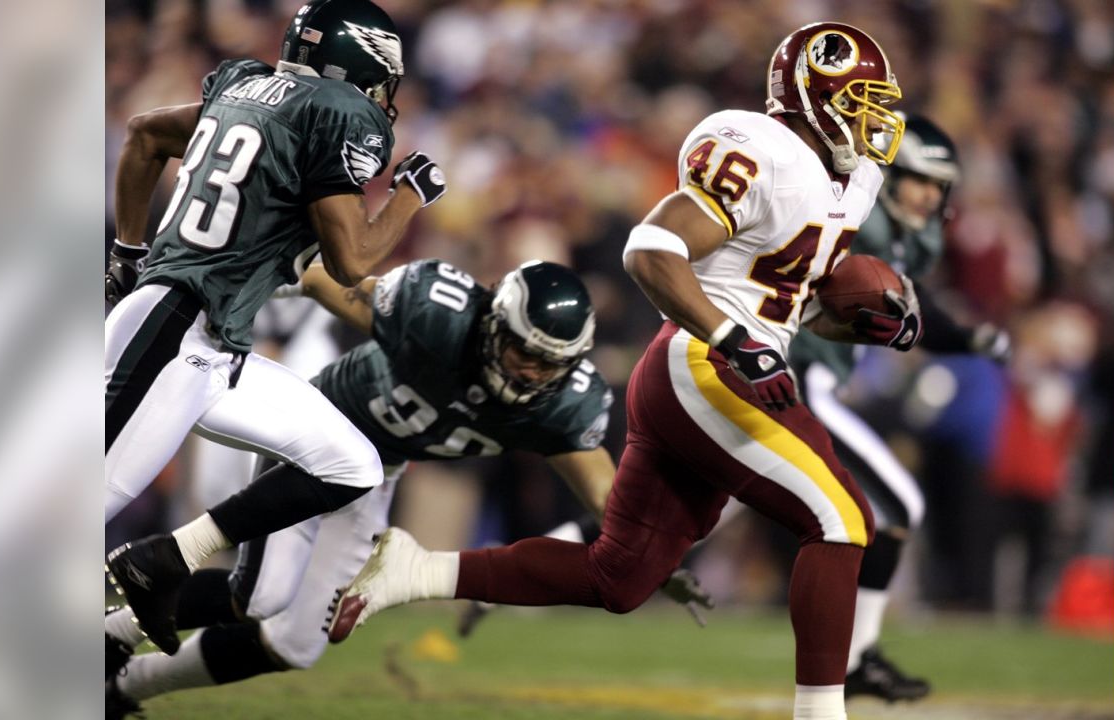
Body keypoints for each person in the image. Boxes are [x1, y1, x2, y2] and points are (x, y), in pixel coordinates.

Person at [326, 23, 924, 720]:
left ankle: (414, 570)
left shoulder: (854, 180)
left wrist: (848, 315)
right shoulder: (771, 156)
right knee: (843, 519)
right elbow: (652, 248)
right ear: (811, 97)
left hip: (713, 370)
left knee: (622, 574)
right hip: (704, 367)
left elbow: (780, 293)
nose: (874, 118)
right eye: (858, 100)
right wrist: (735, 338)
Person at [104, 259, 713, 716]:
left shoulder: (561, 407)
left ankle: (125, 687)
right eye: (524, 352)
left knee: (293, 645)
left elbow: (612, 504)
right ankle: (109, 636)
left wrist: (649, 554)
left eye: (550, 364)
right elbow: (324, 281)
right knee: (261, 597)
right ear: (494, 325)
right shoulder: (438, 314)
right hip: (325, 444)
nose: (532, 372)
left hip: (379, 474)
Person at [103, 0, 446, 658]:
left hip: (212, 343)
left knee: (350, 464)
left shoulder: (245, 86)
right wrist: (412, 192)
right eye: (381, 77)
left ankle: (164, 561)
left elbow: (145, 135)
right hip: (176, 333)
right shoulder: (337, 112)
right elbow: (353, 258)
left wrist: (127, 251)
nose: (383, 95)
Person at [787, 114, 1011, 701]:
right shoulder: (857, 224)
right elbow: (898, 307)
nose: (930, 196)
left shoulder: (898, 238)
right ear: (887, 176)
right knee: (898, 505)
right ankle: (856, 660)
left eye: (940, 186)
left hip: (805, 384)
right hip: (793, 380)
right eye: (919, 180)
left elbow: (912, 314)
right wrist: (962, 337)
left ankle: (535, 565)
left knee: (668, 521)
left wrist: (966, 338)